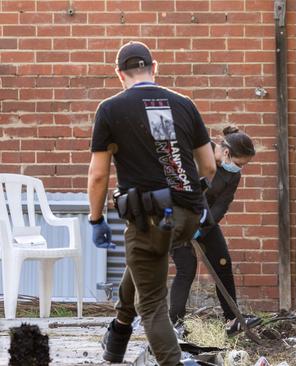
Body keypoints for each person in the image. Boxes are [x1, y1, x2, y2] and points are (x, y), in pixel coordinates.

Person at [87, 41, 216, 366]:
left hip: (150, 217)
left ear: (119, 74)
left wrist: (95, 218)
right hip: (188, 214)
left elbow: (99, 175)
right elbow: (209, 166)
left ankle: (173, 363)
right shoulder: (182, 104)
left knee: (152, 303)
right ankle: (116, 338)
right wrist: (188, 194)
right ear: (153, 68)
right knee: (142, 260)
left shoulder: (111, 109)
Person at [169, 126, 262, 335]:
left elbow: (222, 205)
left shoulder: (232, 176)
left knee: (223, 263)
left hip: (205, 223)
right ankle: (174, 324)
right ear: (227, 152)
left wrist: (202, 228)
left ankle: (232, 319)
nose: (240, 169)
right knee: (187, 267)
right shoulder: (200, 153)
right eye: (239, 163)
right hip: (179, 219)